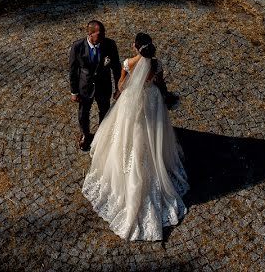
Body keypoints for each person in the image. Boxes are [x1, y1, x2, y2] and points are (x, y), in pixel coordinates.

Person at [81, 32, 189, 241]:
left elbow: (121, 86)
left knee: (129, 135)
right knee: (153, 136)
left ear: (135, 47)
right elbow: (160, 84)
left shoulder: (129, 63)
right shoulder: (156, 64)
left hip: (132, 103)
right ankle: (154, 163)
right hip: (153, 102)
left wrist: (127, 85)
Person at [69, 20, 120, 152]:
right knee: (83, 113)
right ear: (90, 34)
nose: (103, 36)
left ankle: (102, 135)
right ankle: (85, 135)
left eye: (104, 33)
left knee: (105, 111)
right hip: (85, 87)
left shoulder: (110, 44)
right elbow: (73, 71)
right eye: (100, 34)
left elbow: (116, 68)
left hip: (104, 86)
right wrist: (74, 92)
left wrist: (119, 88)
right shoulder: (77, 47)